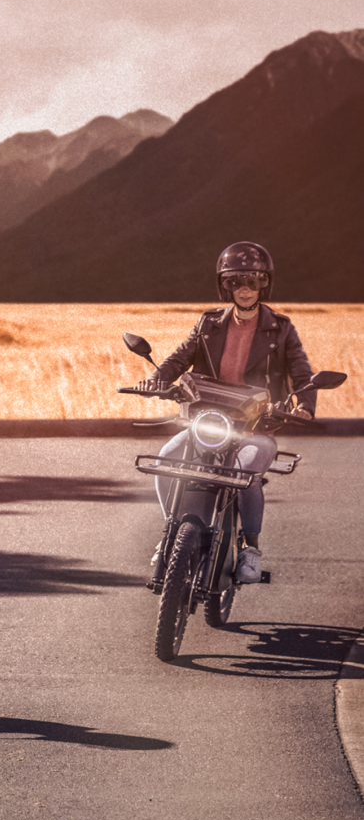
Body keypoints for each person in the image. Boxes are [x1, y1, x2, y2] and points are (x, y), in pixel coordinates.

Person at [137, 241, 315, 584]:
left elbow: (302, 373)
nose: (244, 289)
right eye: (235, 281)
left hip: (256, 427)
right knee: (165, 460)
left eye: (253, 280)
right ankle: (170, 533)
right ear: (225, 285)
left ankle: (251, 547)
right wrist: (155, 379)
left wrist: (304, 404)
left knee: (246, 472)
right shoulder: (208, 324)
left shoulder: (281, 328)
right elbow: (177, 359)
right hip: (209, 423)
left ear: (265, 283)